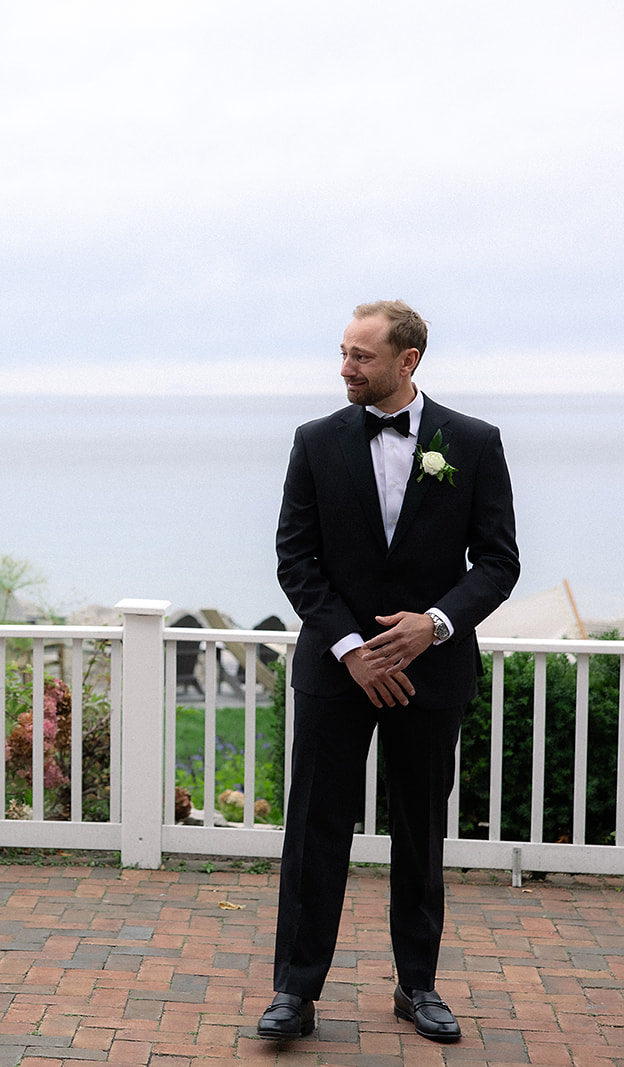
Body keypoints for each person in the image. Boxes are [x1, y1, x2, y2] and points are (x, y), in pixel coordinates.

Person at [257, 301, 519, 1043]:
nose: (345, 368)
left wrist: (431, 625)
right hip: (337, 671)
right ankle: (294, 993)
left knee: (420, 832)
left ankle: (418, 986)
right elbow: (295, 559)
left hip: (430, 674)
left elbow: (498, 561)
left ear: (408, 362)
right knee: (314, 831)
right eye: (343, 352)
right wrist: (352, 648)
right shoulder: (314, 442)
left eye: (361, 357)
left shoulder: (473, 442)